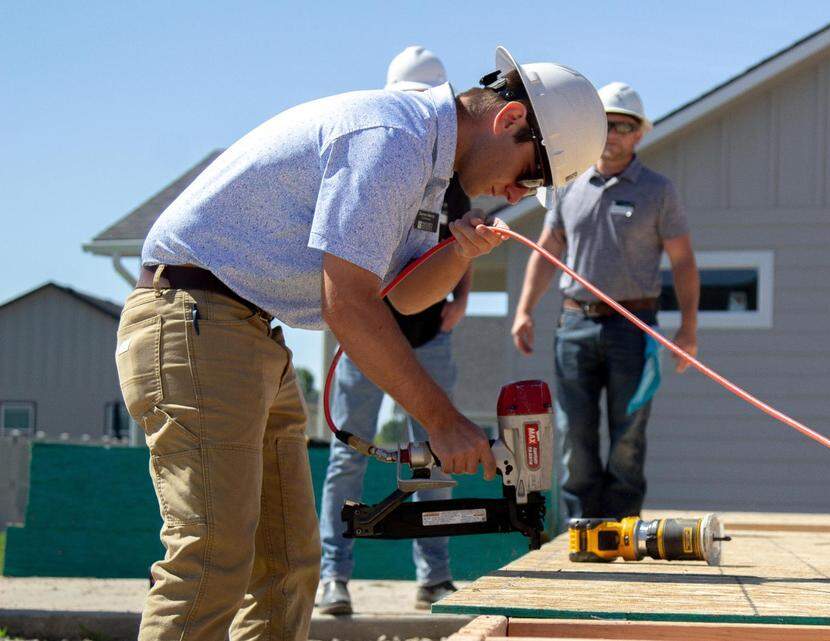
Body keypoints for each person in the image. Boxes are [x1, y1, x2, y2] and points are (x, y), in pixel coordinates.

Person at [114, 46, 605, 641]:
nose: (518, 194)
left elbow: (404, 298)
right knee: (212, 555)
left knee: (289, 565)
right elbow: (346, 301)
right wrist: (441, 421)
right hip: (195, 321)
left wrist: (458, 252)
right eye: (533, 175)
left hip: (245, 333)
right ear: (509, 121)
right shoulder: (393, 137)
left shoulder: (425, 166)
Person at [315, 45, 469, 616]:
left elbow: (462, 242)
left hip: (430, 336)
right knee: (348, 456)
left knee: (434, 454)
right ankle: (335, 578)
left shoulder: (454, 178)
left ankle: (435, 579)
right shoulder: (374, 159)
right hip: (367, 338)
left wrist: (459, 300)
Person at [511, 82, 699, 521]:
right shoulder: (568, 186)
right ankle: (581, 528)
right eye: (606, 124)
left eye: (623, 126)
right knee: (573, 433)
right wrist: (523, 310)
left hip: (634, 326)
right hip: (574, 325)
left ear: (639, 135)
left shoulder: (658, 191)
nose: (613, 133)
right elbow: (547, 250)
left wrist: (688, 327)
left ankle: (622, 527)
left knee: (628, 434)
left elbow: (684, 261)